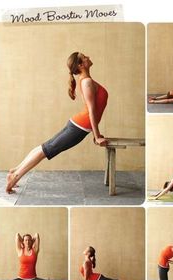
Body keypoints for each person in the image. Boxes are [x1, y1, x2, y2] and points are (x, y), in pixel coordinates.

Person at [6, 52, 108, 194]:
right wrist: (96, 137)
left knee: (44, 147)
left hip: (78, 125)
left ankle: (15, 170)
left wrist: (96, 134)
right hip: (78, 128)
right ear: (80, 65)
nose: (88, 57)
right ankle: (15, 176)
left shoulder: (86, 80)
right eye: (85, 57)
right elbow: (91, 111)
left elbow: (93, 111)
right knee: (45, 150)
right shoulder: (87, 82)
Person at [80, 246, 145, 280]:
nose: (84, 249)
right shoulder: (88, 261)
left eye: (86, 249)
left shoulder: (86, 262)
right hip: (98, 278)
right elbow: (88, 276)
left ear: (88, 253)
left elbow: (86, 277)